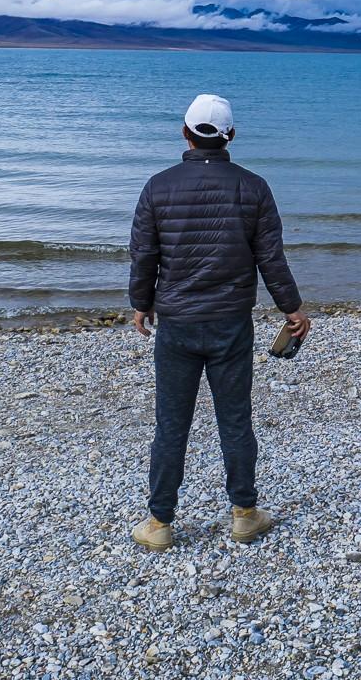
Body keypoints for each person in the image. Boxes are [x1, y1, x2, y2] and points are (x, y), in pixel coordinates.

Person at [127, 93, 310, 550]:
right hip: (230, 322)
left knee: (171, 424)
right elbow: (270, 257)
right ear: (231, 135)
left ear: (185, 132)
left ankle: (159, 522)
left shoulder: (158, 186)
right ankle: (244, 514)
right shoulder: (253, 187)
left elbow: (144, 253)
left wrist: (141, 302)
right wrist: (292, 307)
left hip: (178, 323)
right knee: (234, 419)